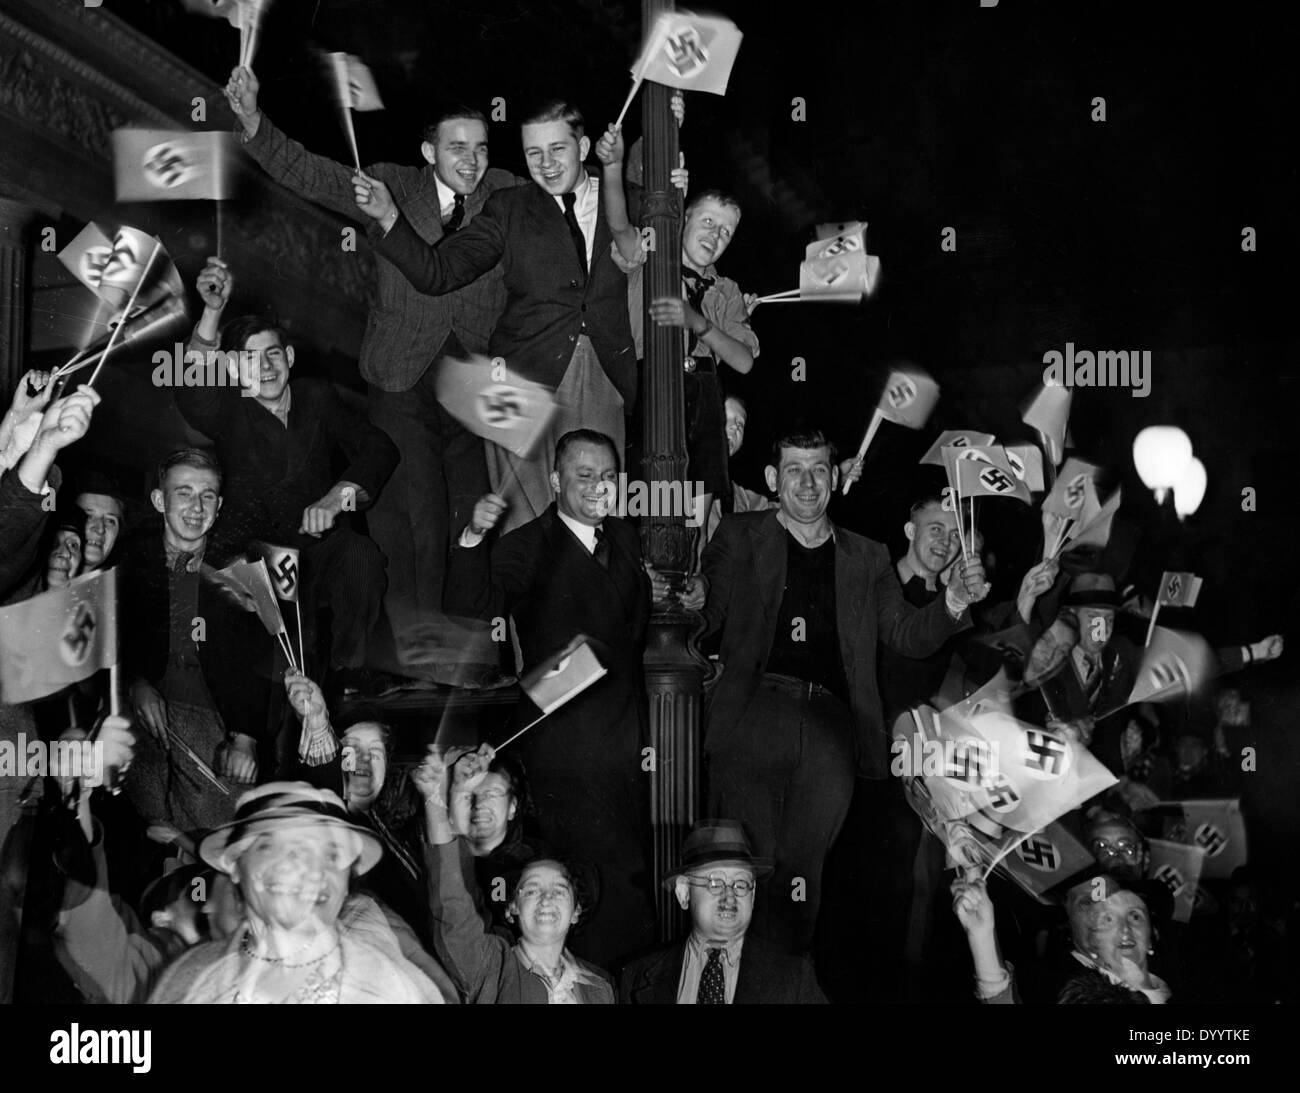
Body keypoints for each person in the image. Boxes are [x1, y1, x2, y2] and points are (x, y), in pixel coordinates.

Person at [225, 69, 519, 663]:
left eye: (481, 147)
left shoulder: (506, 193)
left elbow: (569, 191)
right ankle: (411, 659)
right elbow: (313, 174)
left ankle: (468, 662)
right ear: (428, 150)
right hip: (399, 377)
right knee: (413, 520)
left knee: (473, 513)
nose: (472, 159)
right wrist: (255, 124)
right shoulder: (390, 184)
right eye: (458, 147)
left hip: (474, 383)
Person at [700, 426, 990, 954]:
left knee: (801, 882)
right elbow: (710, 609)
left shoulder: (867, 556)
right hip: (752, 716)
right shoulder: (741, 535)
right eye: (793, 470)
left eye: (818, 471)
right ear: (772, 478)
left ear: (834, 478)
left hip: (831, 731)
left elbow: (905, 633)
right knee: (744, 871)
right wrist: (692, 595)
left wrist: (950, 601)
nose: (807, 483)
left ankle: (785, 983)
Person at [353, 100, 637, 533]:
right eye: (533, 153)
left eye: (557, 149)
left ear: (582, 147)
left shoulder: (626, 202)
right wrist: (388, 216)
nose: (546, 164)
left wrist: (673, 122)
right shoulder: (508, 208)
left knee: (599, 516)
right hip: (520, 382)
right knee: (520, 527)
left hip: (602, 376)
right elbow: (439, 273)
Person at [444, 429, 671, 966]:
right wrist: (475, 538)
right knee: (576, 889)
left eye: (608, 476)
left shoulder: (626, 536)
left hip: (629, 745)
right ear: (555, 481)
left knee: (629, 887)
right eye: (584, 476)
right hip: (563, 751)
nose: (598, 487)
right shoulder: (528, 545)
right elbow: (473, 606)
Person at [177, 259, 399, 682]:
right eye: (250, 359)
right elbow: (193, 396)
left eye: (273, 354)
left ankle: (352, 677)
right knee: (285, 673)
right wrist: (210, 314)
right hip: (255, 567)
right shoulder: (229, 413)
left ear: (290, 357)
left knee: (360, 556)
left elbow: (379, 448)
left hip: (318, 554)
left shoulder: (317, 398)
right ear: (232, 370)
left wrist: (338, 498)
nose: (265, 367)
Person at [596, 123, 758, 545]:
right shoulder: (653, 256)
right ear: (683, 216)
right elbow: (618, 226)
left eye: (725, 231)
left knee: (694, 517)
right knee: (646, 502)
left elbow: (743, 359)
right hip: (653, 386)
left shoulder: (726, 290)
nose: (714, 235)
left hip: (704, 395)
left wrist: (699, 324)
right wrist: (611, 167)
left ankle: (686, 578)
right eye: (707, 221)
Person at [149, 782, 446, 1003]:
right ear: (235, 866)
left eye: (329, 854)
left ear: (346, 883)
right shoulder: (191, 979)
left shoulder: (388, 988)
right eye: (272, 846)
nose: (305, 870)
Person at [116, 449, 273, 833]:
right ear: (159, 500)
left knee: (222, 823)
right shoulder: (128, 560)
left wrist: (246, 738)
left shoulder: (243, 568)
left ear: (219, 506)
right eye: (183, 492)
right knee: (142, 812)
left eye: (207, 496)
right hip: (140, 705)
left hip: (213, 710)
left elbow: (264, 658)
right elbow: (107, 640)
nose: (196, 507)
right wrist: (134, 682)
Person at [414, 745, 615, 1004]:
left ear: (577, 910)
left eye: (560, 890)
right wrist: (435, 798)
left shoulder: (601, 988)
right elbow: (453, 905)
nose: (546, 898)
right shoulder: (491, 967)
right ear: (511, 908)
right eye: (531, 890)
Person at [619, 819, 826, 1004]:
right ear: (683, 893)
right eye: (715, 882)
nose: (729, 897)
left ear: (753, 897)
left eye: (741, 884)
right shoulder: (638, 977)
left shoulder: (793, 977)